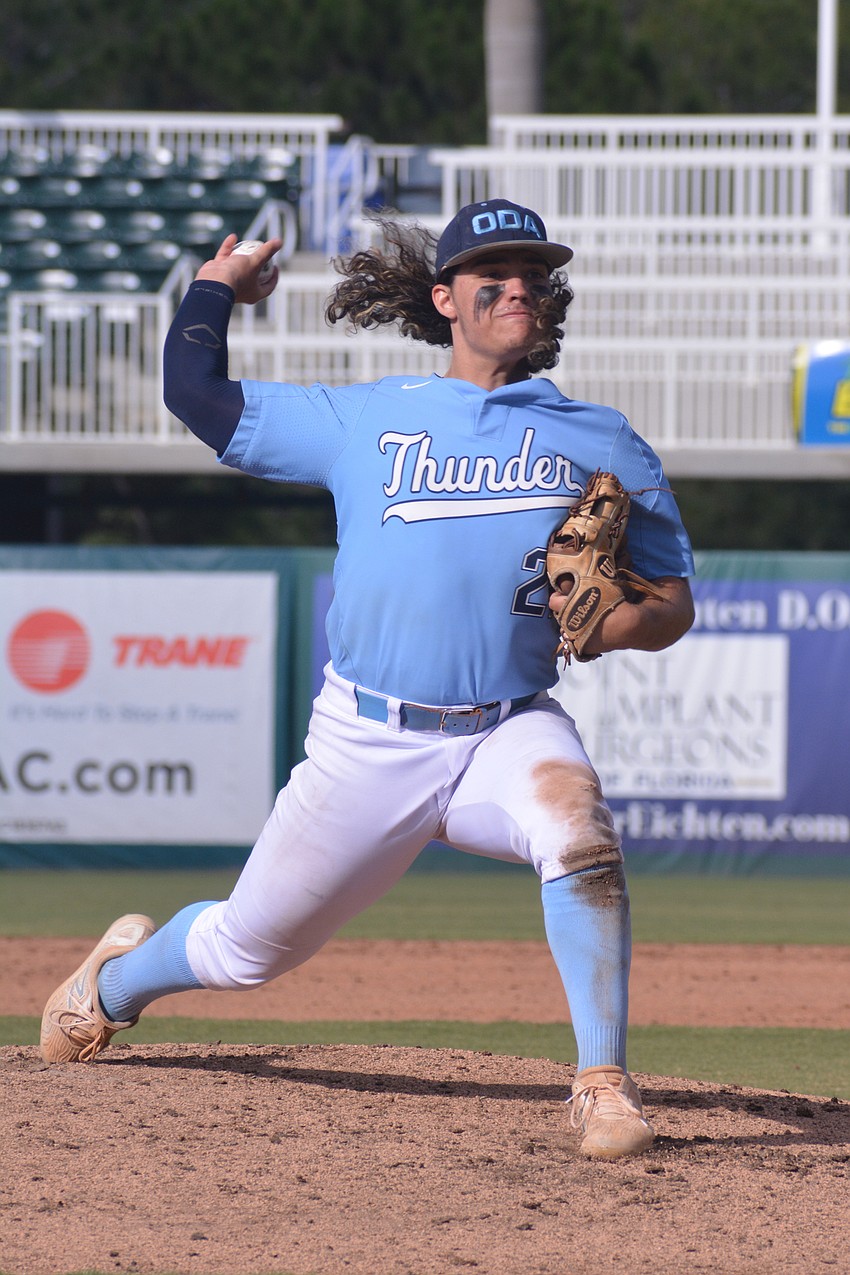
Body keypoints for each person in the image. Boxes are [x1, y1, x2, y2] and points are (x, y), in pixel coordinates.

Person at [40, 199, 695, 1159]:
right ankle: (110, 986)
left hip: (504, 729)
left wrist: (616, 626)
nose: (518, 287)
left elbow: (673, 602)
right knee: (244, 950)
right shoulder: (368, 416)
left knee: (579, 829)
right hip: (367, 739)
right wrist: (215, 288)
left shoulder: (602, 438)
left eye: (533, 276)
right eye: (493, 275)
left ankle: (603, 1085)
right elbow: (199, 397)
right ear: (447, 299)